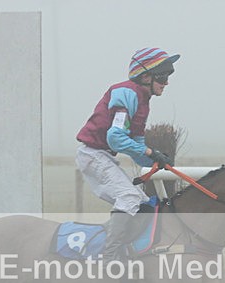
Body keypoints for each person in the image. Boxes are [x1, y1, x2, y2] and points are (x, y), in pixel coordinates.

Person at [76, 47, 179, 261]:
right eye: (162, 76)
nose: (166, 82)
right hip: (93, 155)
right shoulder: (127, 93)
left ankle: (121, 249)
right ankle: (108, 257)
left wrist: (154, 160)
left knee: (142, 204)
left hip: (102, 156)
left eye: (168, 76)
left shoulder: (142, 101)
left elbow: (136, 146)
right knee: (129, 197)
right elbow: (116, 137)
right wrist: (150, 151)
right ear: (145, 76)